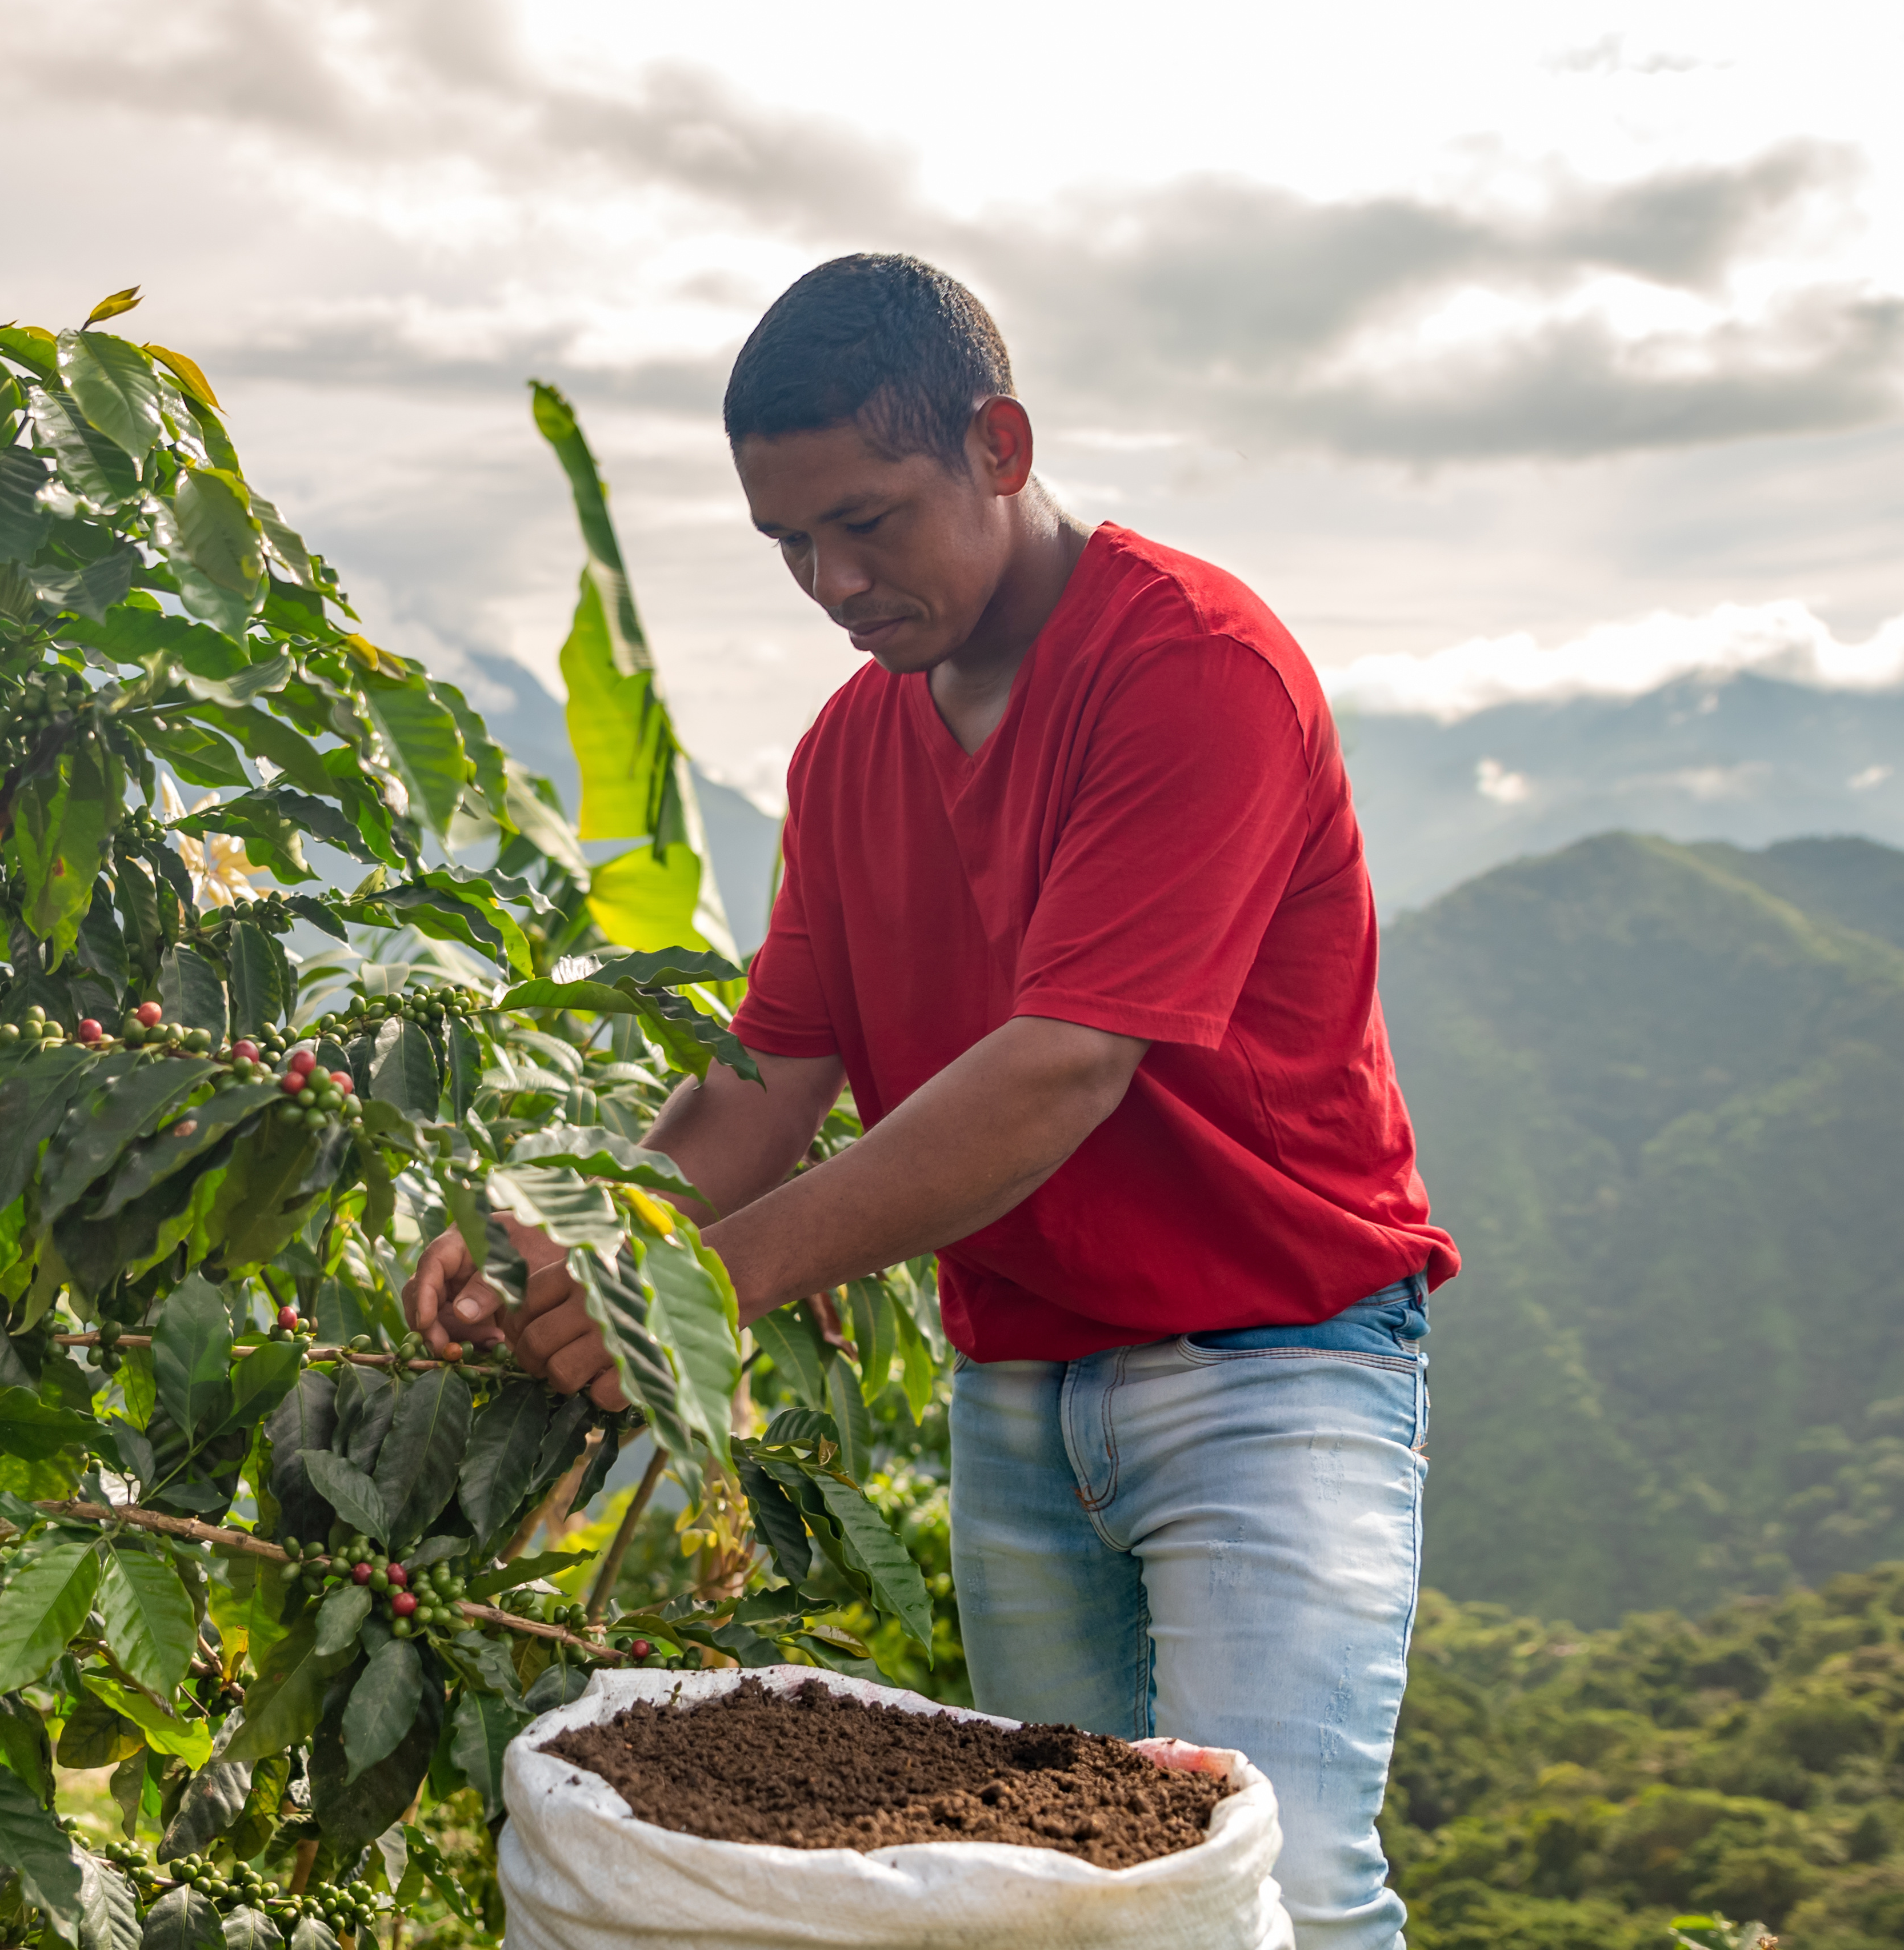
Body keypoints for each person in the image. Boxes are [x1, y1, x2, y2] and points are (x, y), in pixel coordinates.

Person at [406, 253, 1455, 1950]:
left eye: (868, 522)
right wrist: (578, 1231)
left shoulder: (1189, 668)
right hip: (1019, 1395)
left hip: (1270, 1373)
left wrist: (690, 1299)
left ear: (1000, 444)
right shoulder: (846, 753)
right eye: (787, 544)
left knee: (1285, 1888)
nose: (830, 580)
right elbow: (764, 1075)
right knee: (1050, 1901)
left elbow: (1058, 1068)